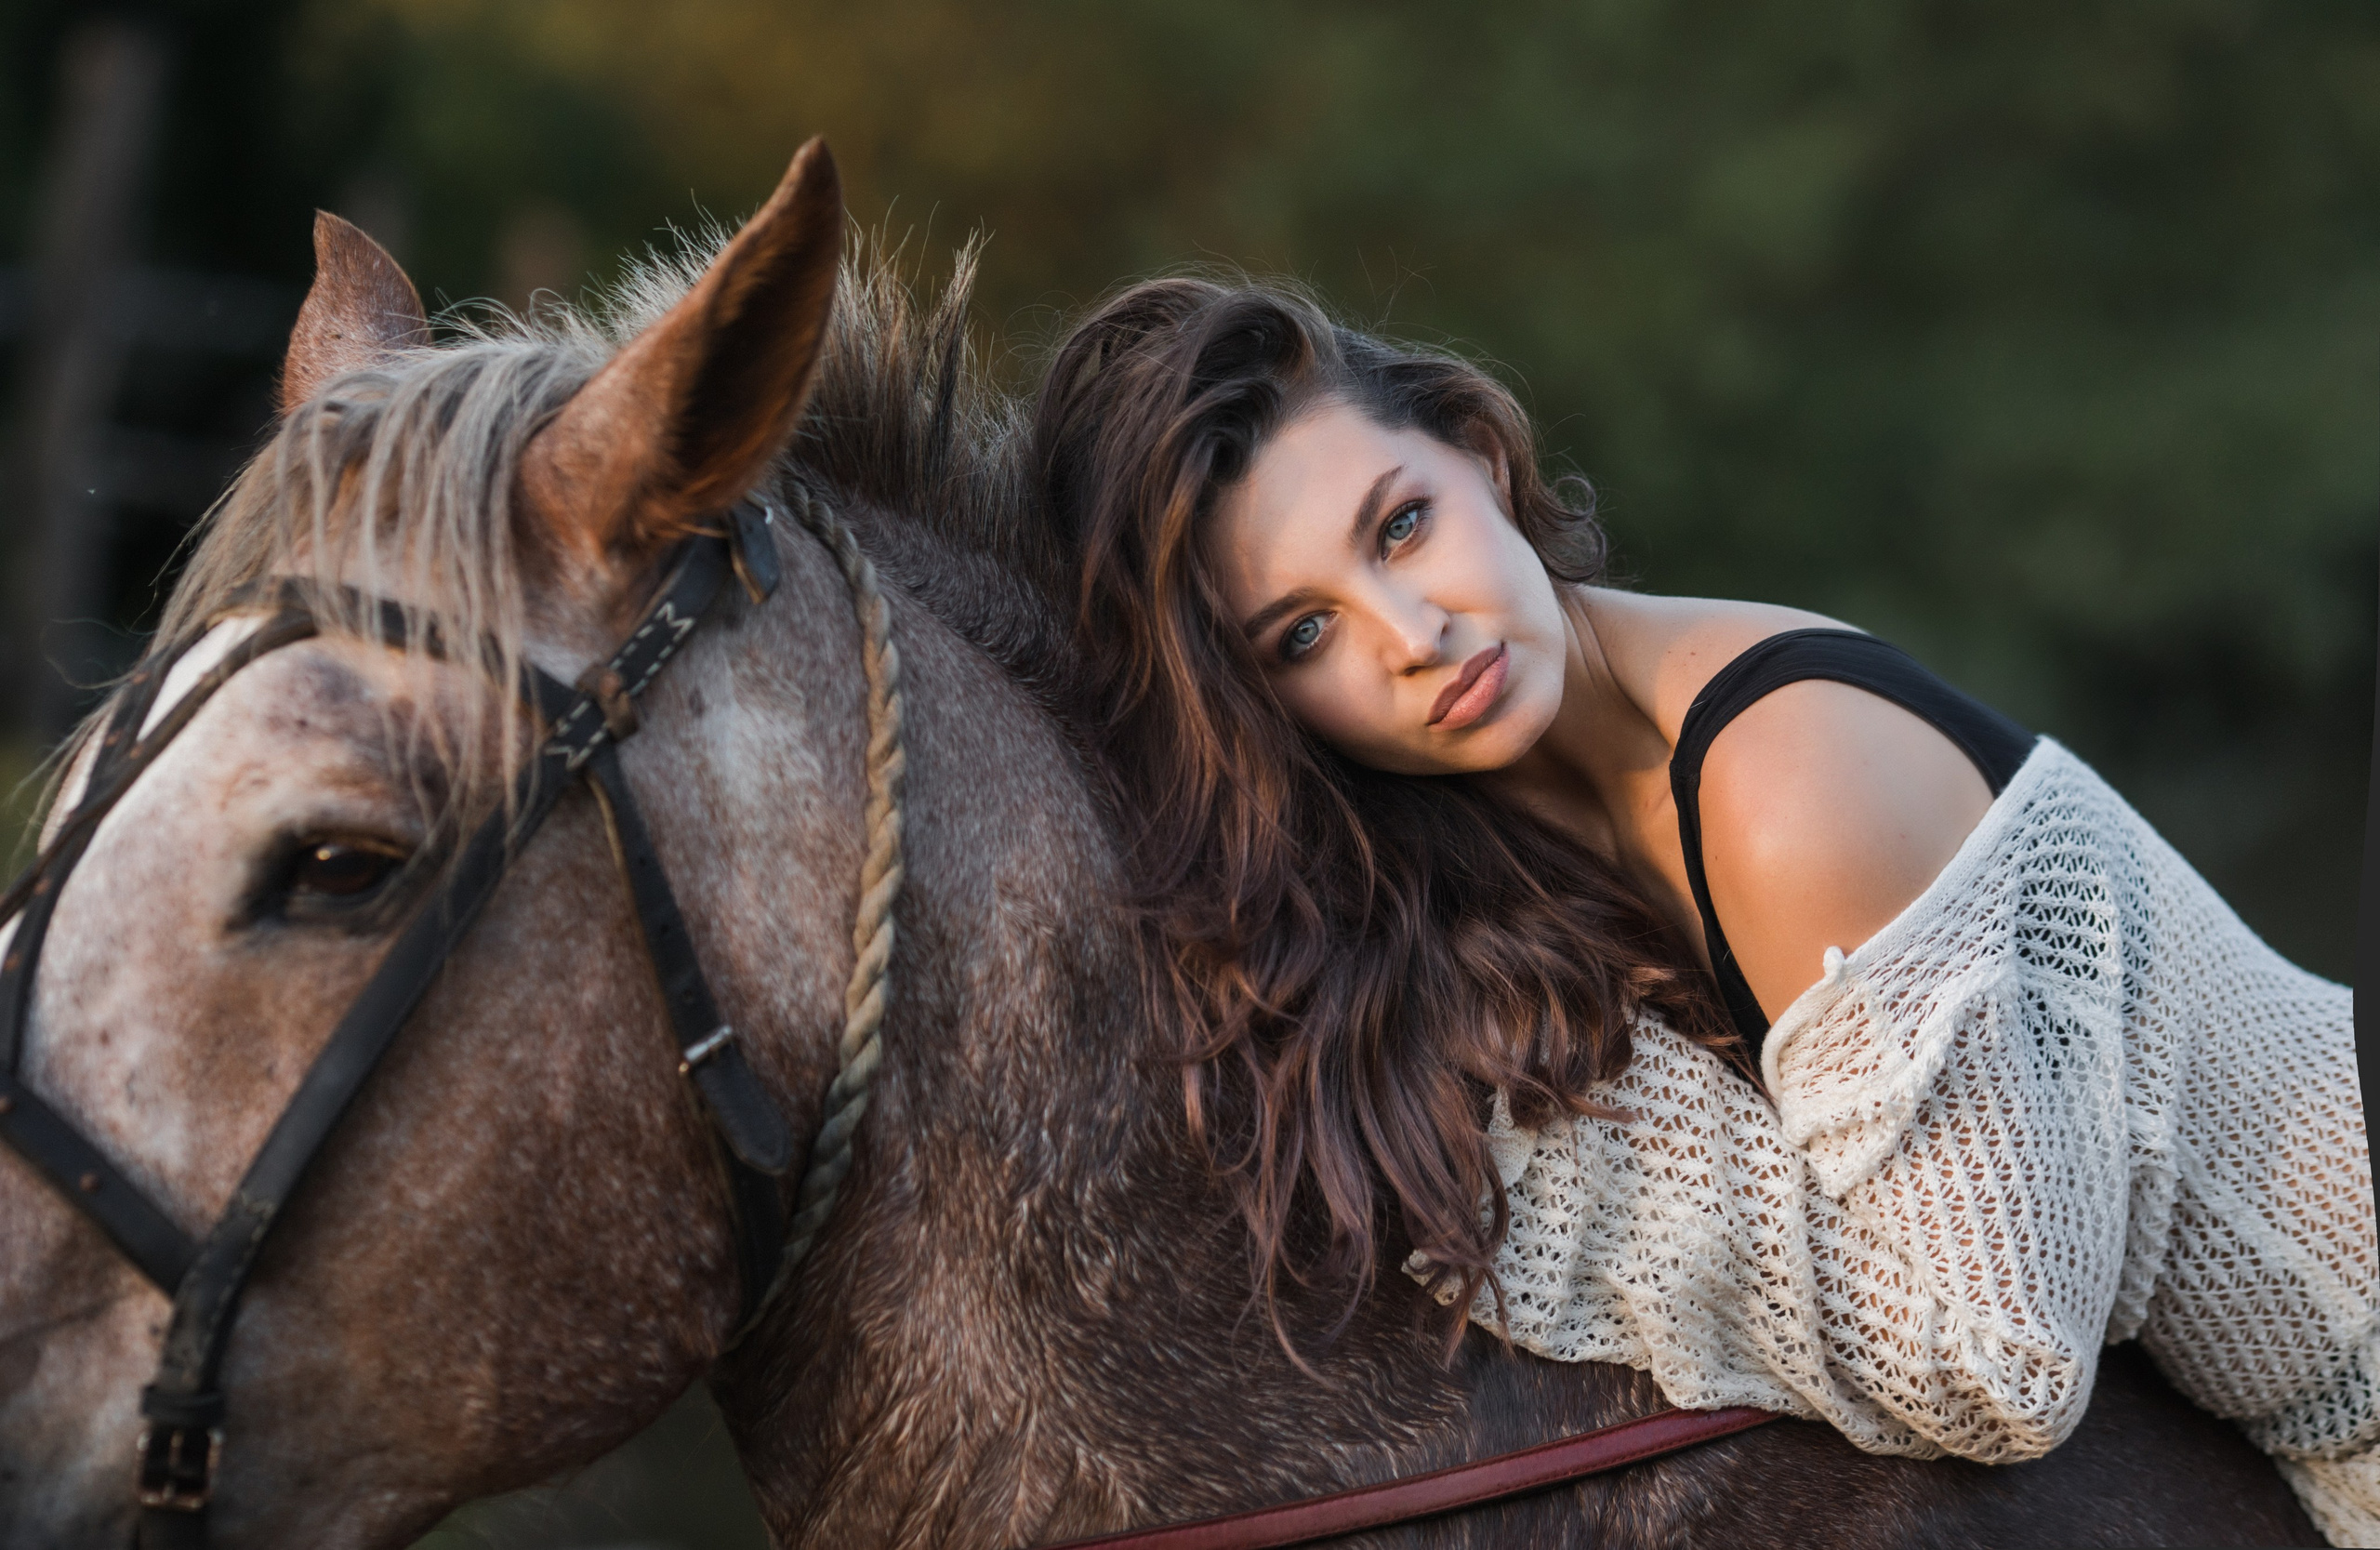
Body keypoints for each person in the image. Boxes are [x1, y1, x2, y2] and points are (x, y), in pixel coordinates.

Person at [1031, 275, 2376, 1543]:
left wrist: (1547, 1176)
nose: (1412, 635)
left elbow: (2002, 1366)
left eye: (1400, 526)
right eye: (1305, 635)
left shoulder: (1788, 780)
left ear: (1480, 456)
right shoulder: (1494, 842)